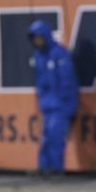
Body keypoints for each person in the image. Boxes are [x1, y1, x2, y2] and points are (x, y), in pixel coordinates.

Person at [29, 21, 79, 177]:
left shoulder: (59, 53)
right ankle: (44, 167)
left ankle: (57, 169)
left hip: (60, 104)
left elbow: (67, 80)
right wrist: (42, 100)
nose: (37, 41)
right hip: (48, 104)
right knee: (46, 137)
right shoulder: (39, 56)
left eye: (39, 37)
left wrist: (68, 105)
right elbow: (40, 81)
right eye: (34, 38)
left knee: (56, 136)